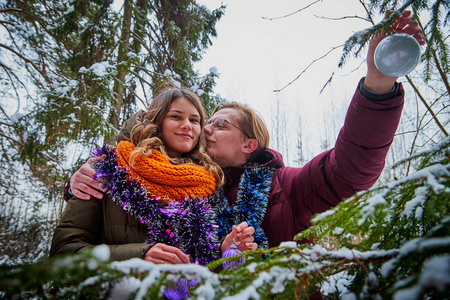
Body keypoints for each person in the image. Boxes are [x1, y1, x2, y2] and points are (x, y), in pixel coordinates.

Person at [64, 12, 425, 250]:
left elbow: (349, 169)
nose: (203, 130)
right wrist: (83, 176)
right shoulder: (192, 186)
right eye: (205, 123)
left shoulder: (286, 187)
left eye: (219, 124)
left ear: (249, 144)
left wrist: (378, 85)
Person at [50, 88, 257, 265]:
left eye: (194, 120)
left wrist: (224, 251)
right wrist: (138, 257)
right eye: (176, 117)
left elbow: (199, 268)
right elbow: (64, 251)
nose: (187, 125)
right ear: (157, 122)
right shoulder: (110, 169)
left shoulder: (207, 184)